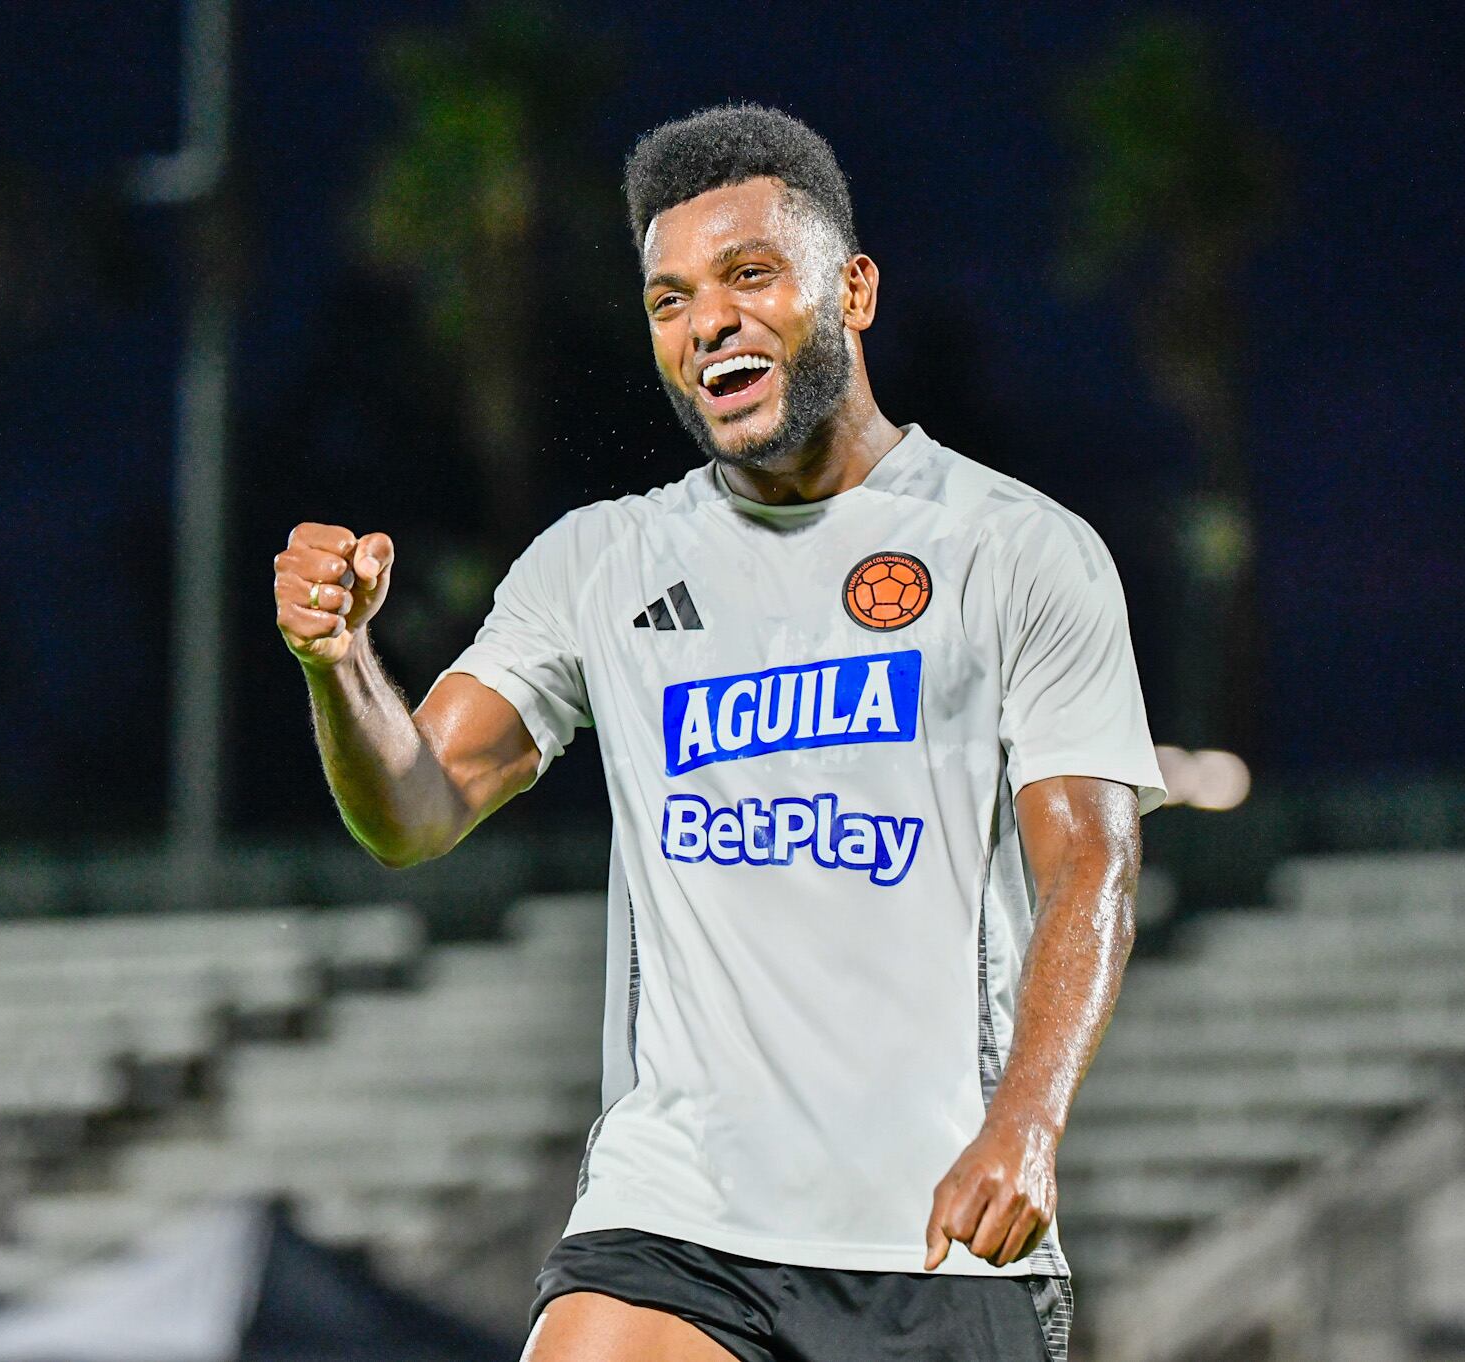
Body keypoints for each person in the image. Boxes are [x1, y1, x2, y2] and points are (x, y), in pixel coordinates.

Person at [272, 103, 1167, 1362]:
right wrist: (339, 667)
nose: (707, 322)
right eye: (669, 299)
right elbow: (411, 811)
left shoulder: (1015, 550)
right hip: (674, 1222)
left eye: (749, 275)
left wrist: (1026, 1121)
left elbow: (1090, 866)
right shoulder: (601, 560)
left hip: (934, 1238)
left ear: (851, 291)